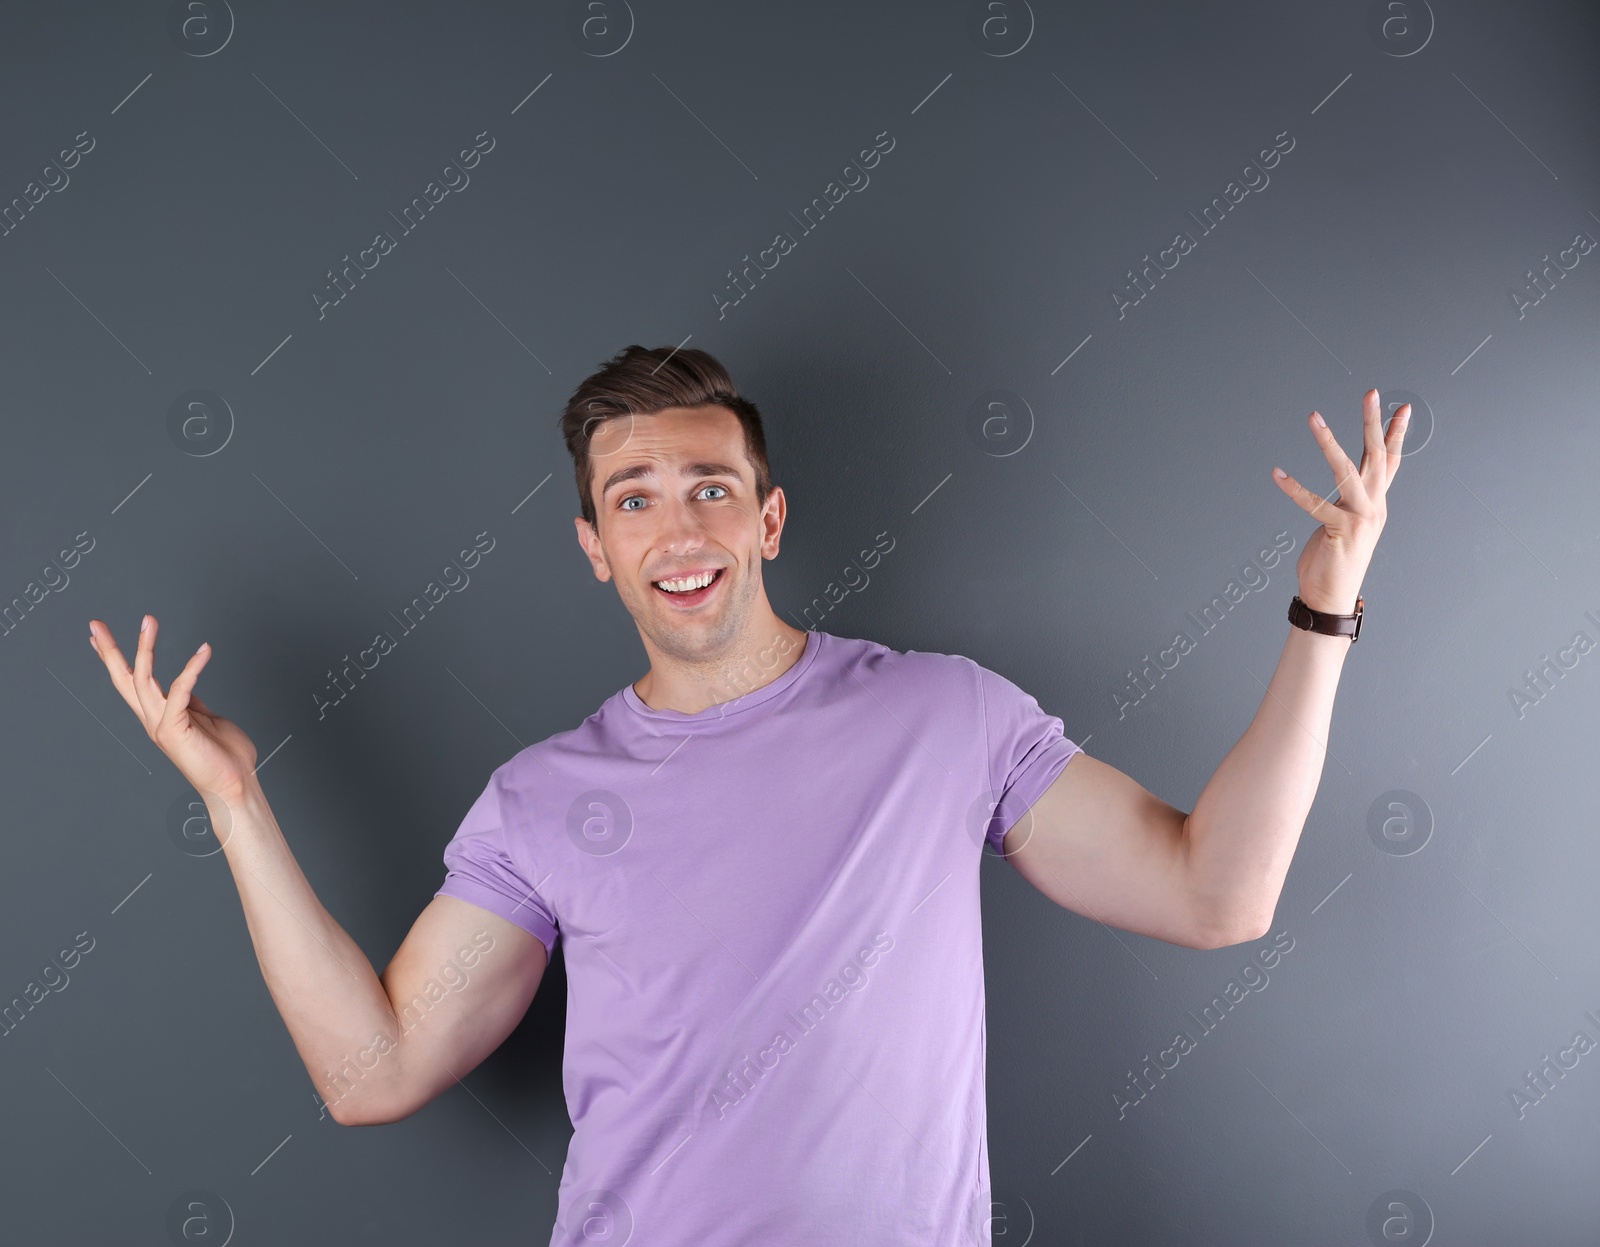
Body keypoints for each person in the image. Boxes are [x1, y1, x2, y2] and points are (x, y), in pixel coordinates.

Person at [88, 345, 1407, 1246]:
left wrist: (1324, 606)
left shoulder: (943, 717)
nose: (681, 532)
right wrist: (237, 804)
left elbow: (1216, 893)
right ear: (595, 549)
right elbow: (369, 1071)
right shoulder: (545, 801)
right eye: (636, 500)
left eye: (712, 490)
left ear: (767, 521)